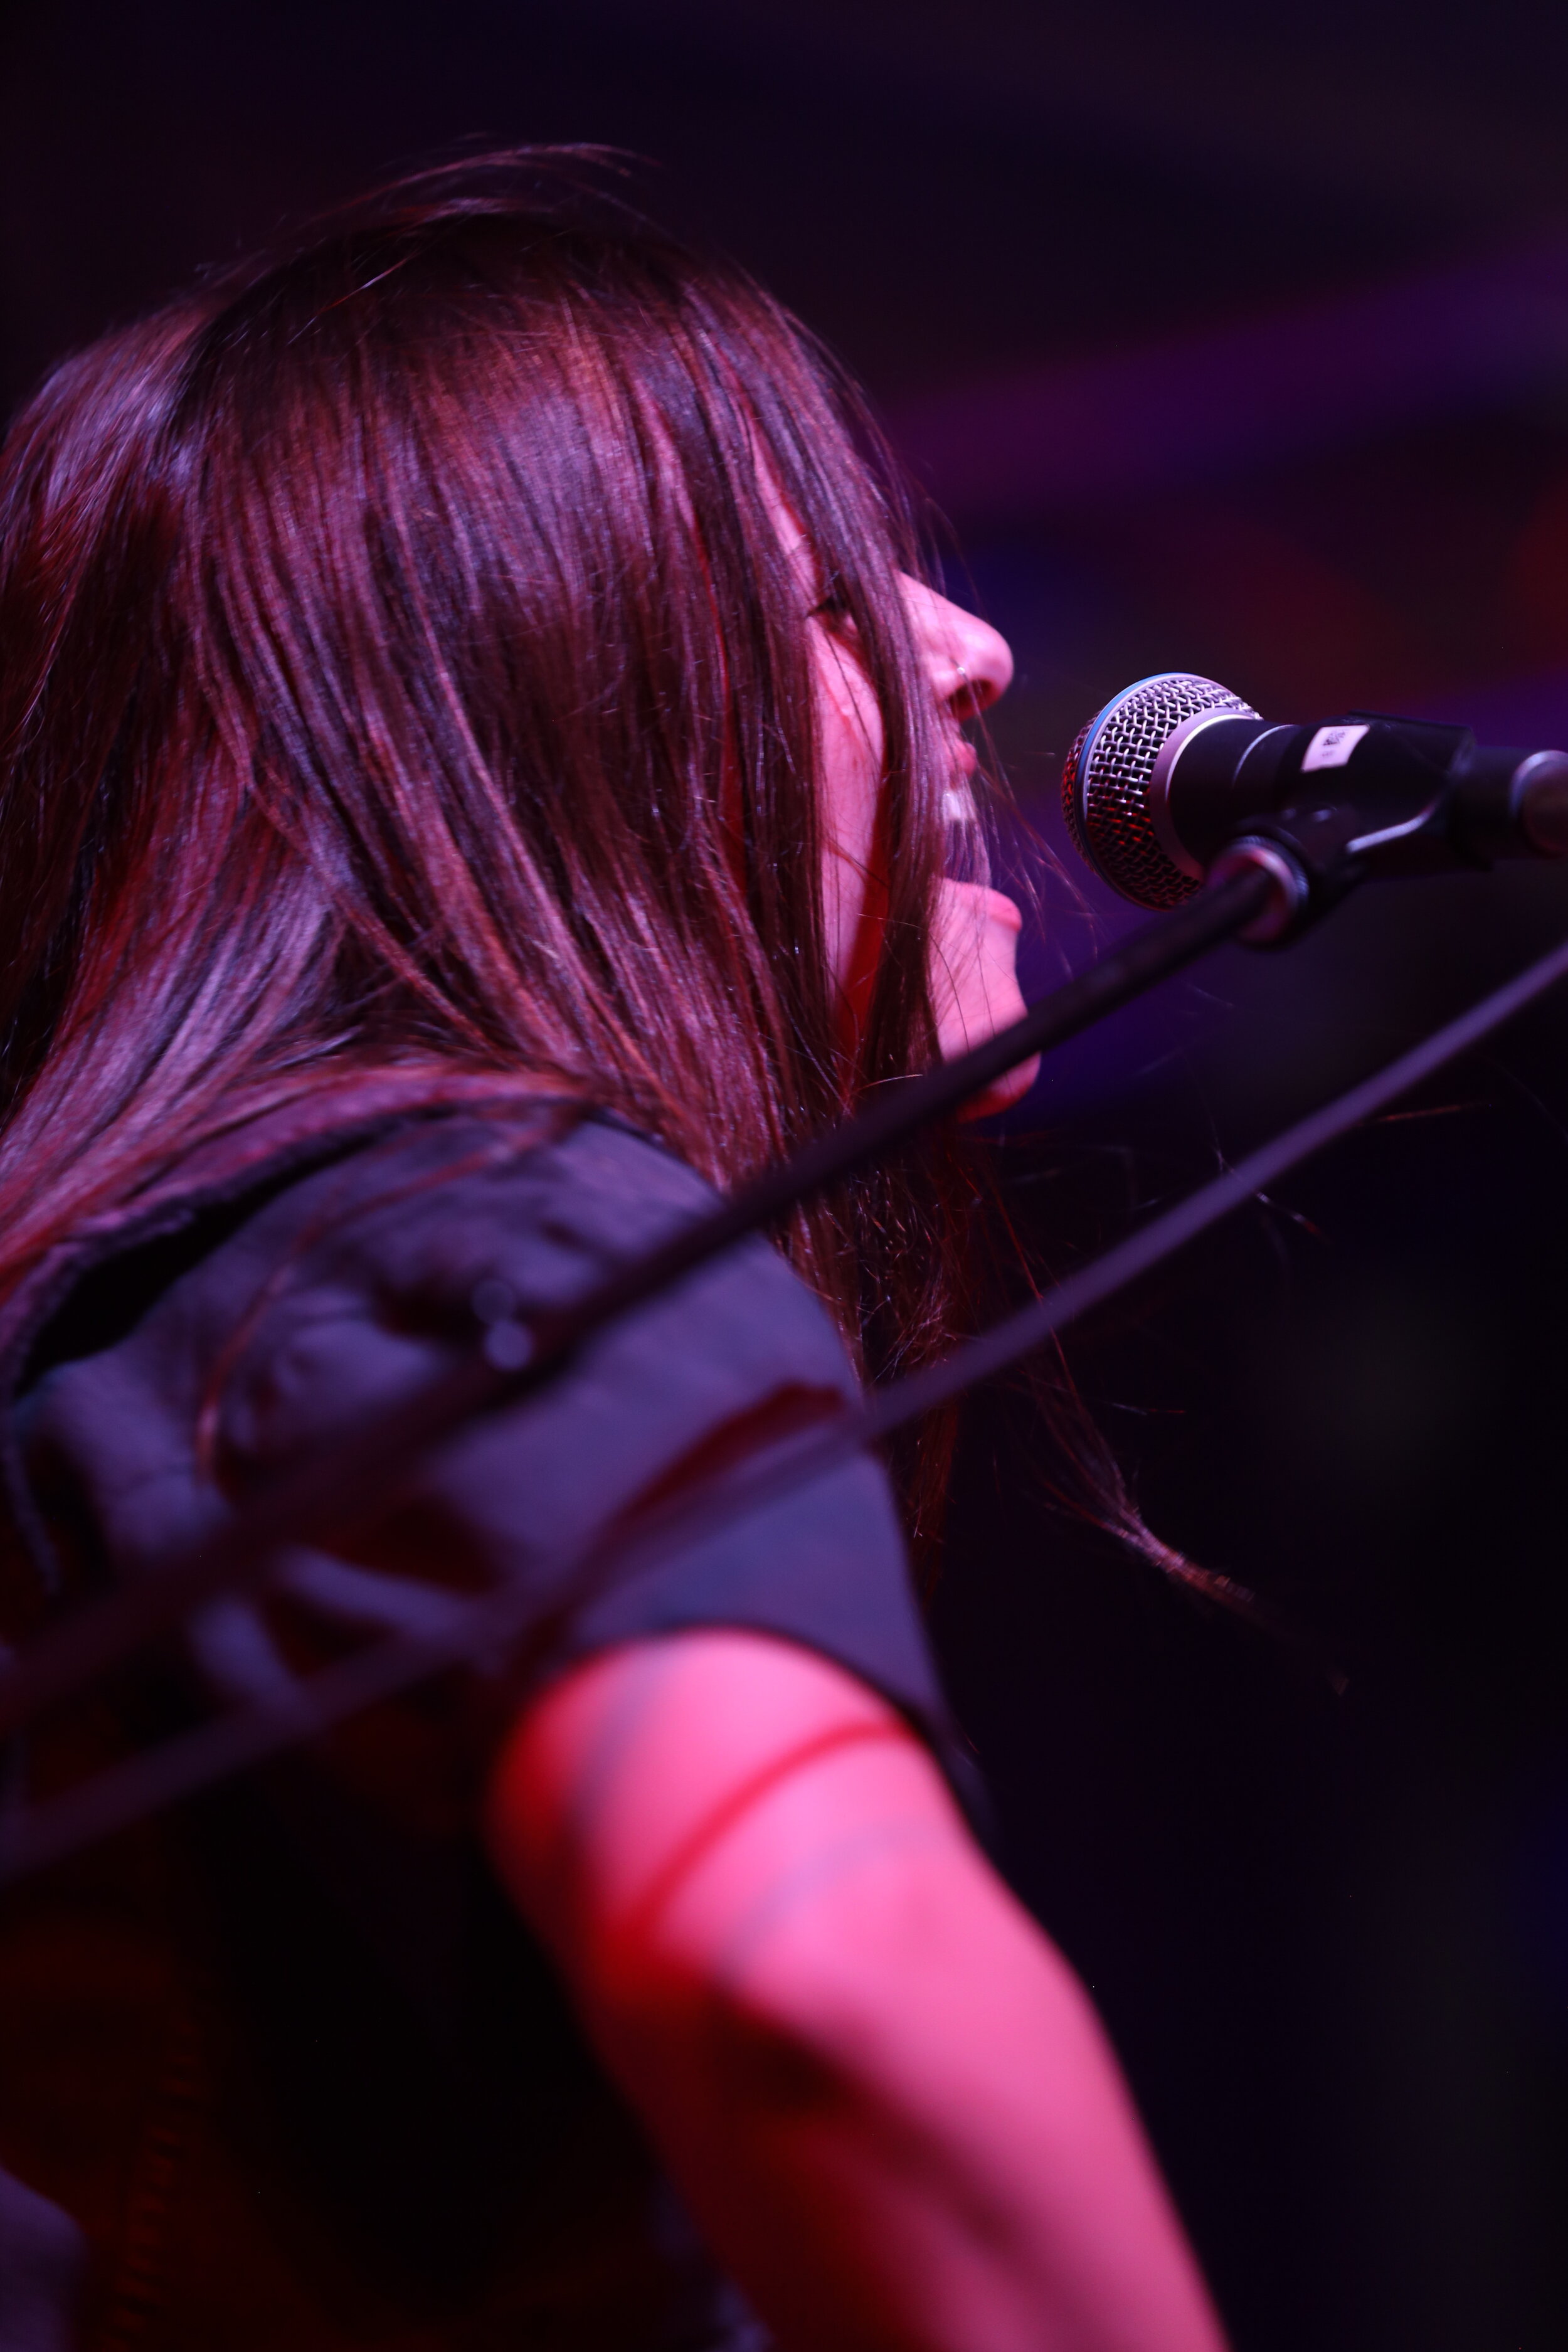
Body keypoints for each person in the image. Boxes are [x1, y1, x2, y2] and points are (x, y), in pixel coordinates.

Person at [0, 154, 1228, 2352]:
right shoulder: (476, 1209)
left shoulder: (189, 1263)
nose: (971, 648)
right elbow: (817, 1983)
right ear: (536, 691)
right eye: (835, 594)